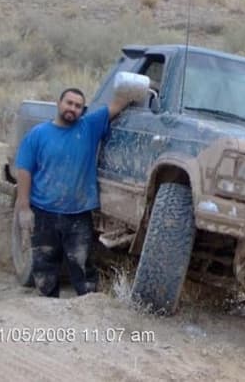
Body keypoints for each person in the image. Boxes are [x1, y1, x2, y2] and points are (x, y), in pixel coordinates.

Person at [15, 79, 149, 297]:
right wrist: (23, 207)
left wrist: (143, 83)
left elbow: (119, 102)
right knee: (45, 266)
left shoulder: (89, 126)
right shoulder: (38, 134)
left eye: (78, 106)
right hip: (43, 212)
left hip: (78, 214)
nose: (73, 109)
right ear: (59, 103)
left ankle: (87, 313)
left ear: (82, 110)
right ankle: (48, 311)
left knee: (83, 266)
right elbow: (24, 170)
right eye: (69, 103)